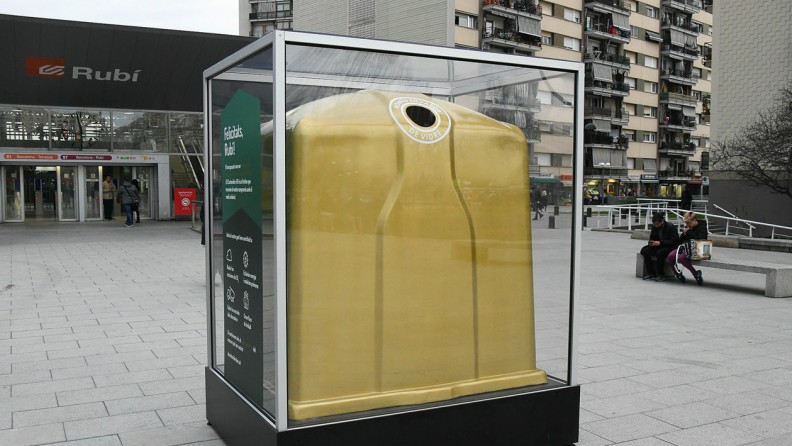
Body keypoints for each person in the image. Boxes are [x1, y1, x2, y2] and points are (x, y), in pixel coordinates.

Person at [667, 211, 707, 285]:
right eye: (686, 223)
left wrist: (689, 232)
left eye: (688, 223)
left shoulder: (702, 228)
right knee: (670, 256)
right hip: (687, 248)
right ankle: (677, 274)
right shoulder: (689, 228)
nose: (687, 225)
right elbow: (680, 241)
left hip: (698, 250)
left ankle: (695, 274)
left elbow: (701, 241)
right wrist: (684, 234)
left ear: (694, 220)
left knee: (682, 257)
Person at [640, 212, 680, 282]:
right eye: (654, 224)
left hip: (670, 246)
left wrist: (661, 243)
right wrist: (651, 243)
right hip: (659, 245)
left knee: (660, 253)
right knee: (645, 251)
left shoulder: (670, 227)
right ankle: (651, 273)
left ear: (662, 221)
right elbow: (652, 237)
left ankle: (661, 274)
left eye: (657, 224)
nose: (656, 226)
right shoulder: (654, 227)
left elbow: (675, 241)